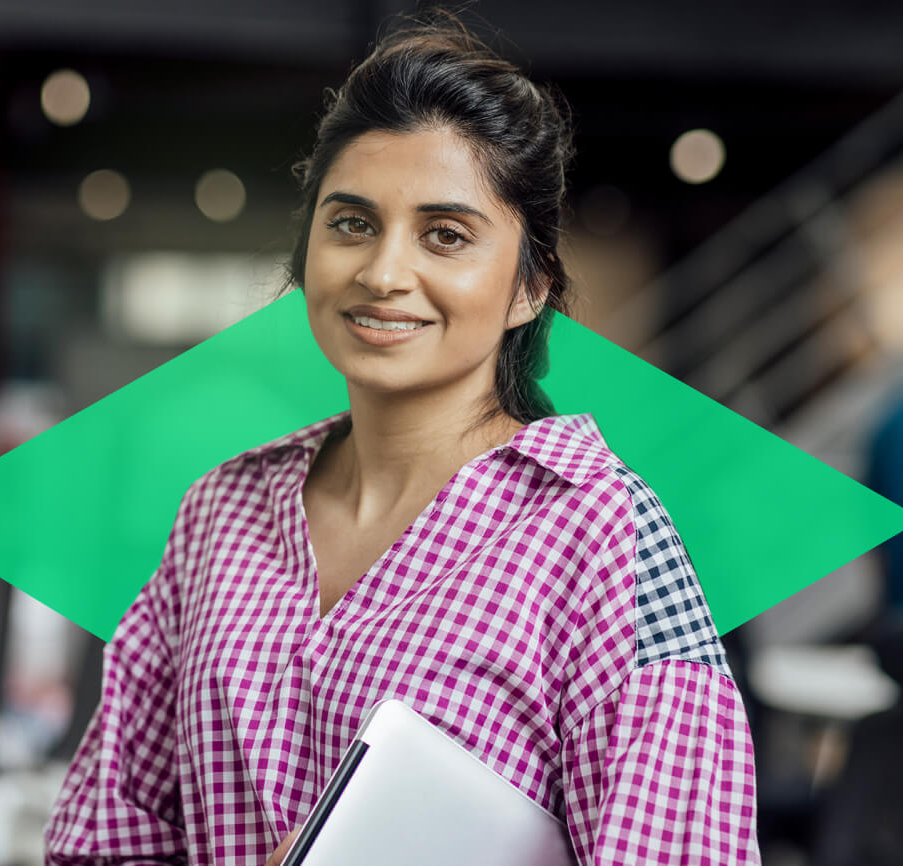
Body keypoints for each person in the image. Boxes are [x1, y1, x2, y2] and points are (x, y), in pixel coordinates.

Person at [43, 9, 761, 864]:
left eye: (445, 235)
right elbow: (105, 837)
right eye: (351, 223)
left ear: (530, 287)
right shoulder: (220, 511)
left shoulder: (602, 534)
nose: (384, 273)